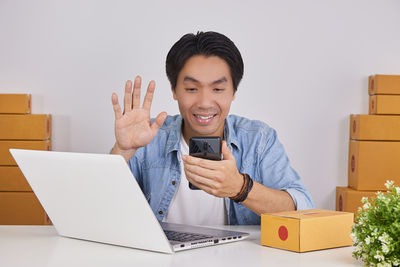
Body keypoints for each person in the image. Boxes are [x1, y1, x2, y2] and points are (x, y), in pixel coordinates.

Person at [111, 31, 313, 225]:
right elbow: (101, 210)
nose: (205, 102)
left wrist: (239, 188)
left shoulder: (258, 139)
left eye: (217, 89)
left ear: (234, 91)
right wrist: (123, 151)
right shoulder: (147, 137)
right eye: (191, 89)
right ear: (174, 90)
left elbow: (303, 210)